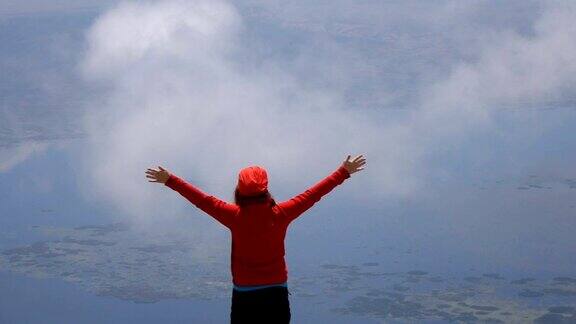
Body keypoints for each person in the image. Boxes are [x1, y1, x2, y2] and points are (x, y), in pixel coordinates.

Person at [145, 154, 366, 323]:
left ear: (239, 190)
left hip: (245, 298)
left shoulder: (234, 216)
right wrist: (343, 172)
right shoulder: (282, 213)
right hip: (276, 295)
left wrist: (170, 180)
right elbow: (313, 194)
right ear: (266, 189)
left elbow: (202, 200)